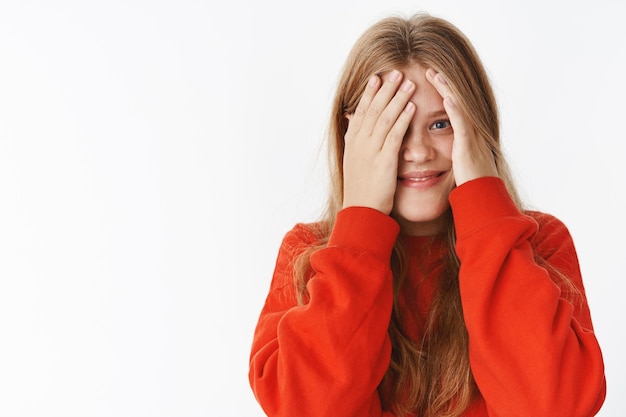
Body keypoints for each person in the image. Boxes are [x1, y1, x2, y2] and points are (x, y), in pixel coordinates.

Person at [248, 13, 606, 417]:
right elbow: (307, 408)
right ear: (353, 138)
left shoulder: (538, 243)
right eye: (393, 128)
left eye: (441, 123)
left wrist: (484, 203)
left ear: (478, 127)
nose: (417, 151)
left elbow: (555, 407)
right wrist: (361, 223)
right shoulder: (308, 254)